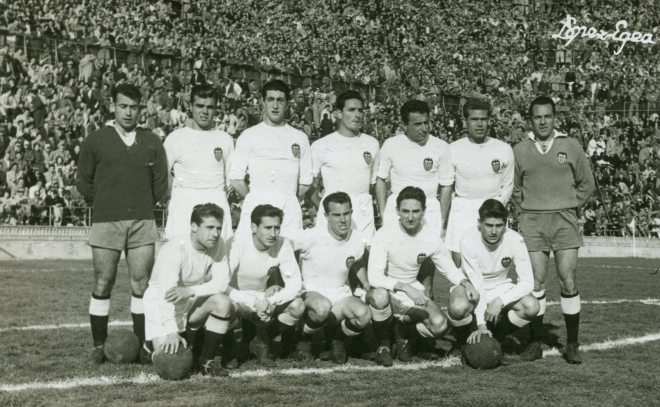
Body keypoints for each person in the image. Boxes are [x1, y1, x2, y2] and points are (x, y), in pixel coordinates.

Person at [76, 83, 169, 365]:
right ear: (112, 107)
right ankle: (98, 345)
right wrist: (107, 202)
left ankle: (143, 346)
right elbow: (84, 182)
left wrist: (140, 204)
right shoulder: (95, 140)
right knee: (103, 280)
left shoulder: (152, 141)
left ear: (141, 108)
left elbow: (161, 183)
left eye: (134, 107)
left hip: (142, 220)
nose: (129, 112)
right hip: (106, 219)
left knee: (141, 282)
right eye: (123, 106)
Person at [512, 96, 596, 364]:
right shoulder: (519, 149)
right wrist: (528, 207)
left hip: (564, 221)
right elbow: (514, 188)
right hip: (533, 222)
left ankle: (572, 345)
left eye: (547, 116)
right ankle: (534, 342)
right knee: (535, 284)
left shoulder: (571, 145)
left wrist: (569, 204)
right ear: (531, 120)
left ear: (554, 117)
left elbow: (587, 184)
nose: (543, 121)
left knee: (567, 281)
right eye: (538, 117)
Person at [366, 186, 478, 366]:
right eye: (405, 211)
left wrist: (466, 283)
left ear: (424, 212)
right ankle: (384, 345)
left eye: (416, 211)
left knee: (440, 326)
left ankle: (402, 334)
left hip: (412, 293)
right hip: (386, 290)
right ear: (397, 211)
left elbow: (449, 270)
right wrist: (405, 287)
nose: (410, 217)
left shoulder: (430, 237)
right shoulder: (384, 235)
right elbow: (374, 277)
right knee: (379, 296)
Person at [142, 203, 236, 377]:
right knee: (172, 367)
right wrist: (171, 332)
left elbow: (222, 283)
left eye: (218, 228)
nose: (215, 234)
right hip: (160, 303)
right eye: (209, 228)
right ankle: (150, 347)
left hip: (188, 300)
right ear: (194, 227)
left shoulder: (218, 243)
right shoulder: (175, 248)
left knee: (223, 301)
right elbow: (166, 295)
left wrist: (191, 291)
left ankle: (206, 360)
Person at [288, 192, 371, 364]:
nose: (343, 220)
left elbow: (357, 260)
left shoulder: (356, 237)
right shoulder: (311, 236)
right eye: (336, 215)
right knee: (322, 307)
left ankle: (336, 339)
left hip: (340, 293)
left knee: (364, 315)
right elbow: (285, 247)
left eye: (346, 213)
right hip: (312, 293)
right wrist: (290, 277)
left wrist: (367, 284)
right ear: (326, 216)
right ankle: (302, 340)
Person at [447, 199, 539, 350]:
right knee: (459, 307)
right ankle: (462, 343)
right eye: (489, 225)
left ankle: (496, 339)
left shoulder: (516, 239)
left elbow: (528, 282)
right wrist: (481, 325)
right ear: (479, 223)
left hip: (500, 287)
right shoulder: (468, 240)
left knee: (532, 306)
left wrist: (500, 301)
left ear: (506, 224)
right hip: (470, 287)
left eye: (499, 225)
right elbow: (478, 283)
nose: (494, 231)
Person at [229, 80, 313, 238]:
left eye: (280, 100)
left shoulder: (300, 137)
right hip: (255, 206)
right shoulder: (248, 135)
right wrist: (254, 199)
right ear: (263, 102)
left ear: (287, 103)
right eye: (270, 100)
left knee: (288, 256)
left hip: (288, 210)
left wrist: (288, 199)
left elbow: (306, 181)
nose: (275, 106)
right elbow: (235, 179)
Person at [225, 204, 304, 367]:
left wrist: (273, 300)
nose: (273, 233)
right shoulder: (236, 243)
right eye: (268, 228)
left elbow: (295, 284)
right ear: (254, 227)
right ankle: (230, 348)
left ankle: (262, 340)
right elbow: (221, 284)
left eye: (277, 228)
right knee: (223, 305)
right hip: (236, 297)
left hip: (262, 298)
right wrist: (253, 302)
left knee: (298, 305)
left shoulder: (283, 244)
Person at [445, 99, 514, 267]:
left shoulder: (503, 148)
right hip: (463, 212)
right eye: (474, 119)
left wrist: (494, 208)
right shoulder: (453, 149)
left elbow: (508, 185)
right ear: (465, 121)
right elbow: (447, 186)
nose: (479, 124)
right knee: (460, 268)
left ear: (489, 120)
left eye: (483, 119)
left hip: (491, 213)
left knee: (490, 266)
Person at [164, 84, 234, 241]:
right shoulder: (175, 137)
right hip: (183, 202)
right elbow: (163, 172)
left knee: (218, 259)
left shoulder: (225, 139)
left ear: (216, 109)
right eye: (200, 106)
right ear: (190, 106)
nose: (204, 111)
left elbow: (230, 178)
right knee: (182, 256)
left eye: (210, 107)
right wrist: (174, 195)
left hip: (216, 199)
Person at [310, 90, 380, 246]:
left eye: (360, 110)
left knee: (365, 257)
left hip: (363, 210)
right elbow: (310, 184)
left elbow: (374, 183)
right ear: (338, 113)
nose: (357, 115)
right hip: (333, 209)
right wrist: (324, 206)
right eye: (351, 110)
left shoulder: (372, 144)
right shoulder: (322, 145)